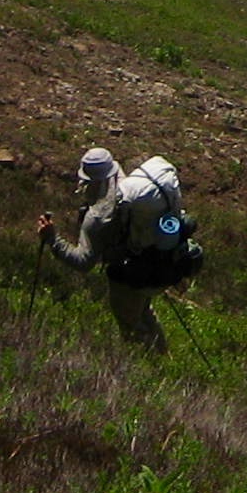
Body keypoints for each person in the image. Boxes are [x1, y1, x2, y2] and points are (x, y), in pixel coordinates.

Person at [38, 147, 200, 351]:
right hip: (157, 267)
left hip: (130, 277)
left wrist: (53, 239)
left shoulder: (97, 218)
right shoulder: (131, 189)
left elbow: (83, 262)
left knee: (131, 328)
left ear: (88, 181)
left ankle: (151, 372)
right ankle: (163, 358)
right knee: (144, 314)